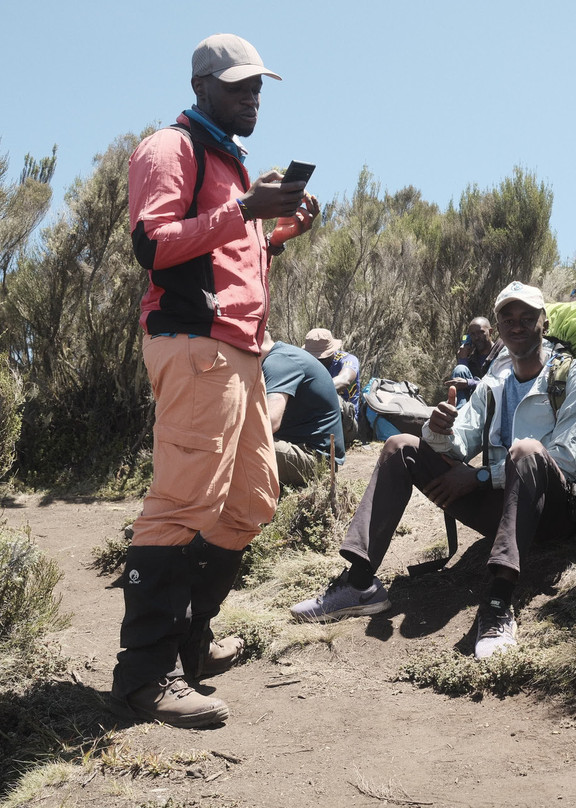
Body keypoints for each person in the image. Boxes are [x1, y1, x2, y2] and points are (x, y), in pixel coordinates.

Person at [111, 33, 318, 728]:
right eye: (237, 86)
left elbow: (224, 248)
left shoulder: (230, 163)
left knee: (252, 500)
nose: (251, 95)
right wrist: (244, 213)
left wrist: (277, 229)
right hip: (195, 347)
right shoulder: (169, 149)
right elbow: (154, 243)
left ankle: (188, 646)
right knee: (180, 505)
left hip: (240, 354)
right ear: (201, 87)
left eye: (258, 85)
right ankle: (147, 677)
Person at [291, 281, 576, 659]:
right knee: (400, 447)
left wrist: (482, 476)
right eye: (508, 318)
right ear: (499, 328)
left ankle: (498, 604)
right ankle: (358, 583)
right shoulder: (494, 384)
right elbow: (459, 444)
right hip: (500, 509)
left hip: (551, 515)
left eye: (527, 317)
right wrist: (436, 430)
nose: (517, 325)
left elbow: (566, 462)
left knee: (527, 451)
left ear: (544, 324)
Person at [263, 335, 347, 486]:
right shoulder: (282, 355)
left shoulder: (278, 361)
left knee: (241, 446)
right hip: (303, 450)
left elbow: (271, 421)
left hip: (316, 461)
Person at [302, 327, 361, 445]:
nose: (318, 360)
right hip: (315, 422)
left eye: (321, 357)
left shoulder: (347, 360)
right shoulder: (304, 363)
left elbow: (344, 380)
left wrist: (310, 393)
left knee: (336, 401)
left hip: (346, 424)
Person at [444, 317, 499, 402]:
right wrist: (463, 360)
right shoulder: (471, 359)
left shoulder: (501, 354)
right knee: (460, 369)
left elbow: (499, 386)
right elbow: (462, 388)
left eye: (480, 332)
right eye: (472, 334)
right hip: (473, 405)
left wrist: (469, 383)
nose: (476, 337)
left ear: (490, 331)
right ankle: (460, 412)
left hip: (495, 402)